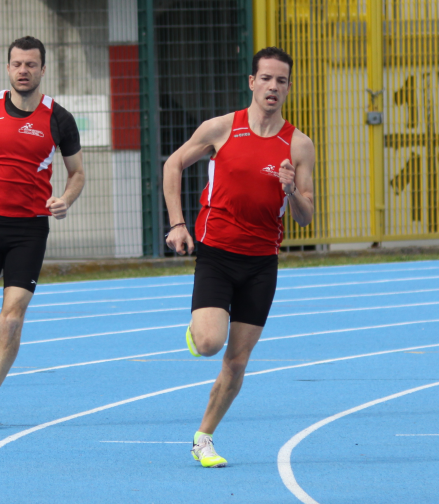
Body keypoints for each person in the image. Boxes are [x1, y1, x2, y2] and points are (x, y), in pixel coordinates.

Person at [163, 47, 315, 467]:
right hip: (217, 255)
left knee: (238, 360)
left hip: (261, 263)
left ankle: (203, 437)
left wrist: (289, 191)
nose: (273, 86)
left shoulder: (299, 145)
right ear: (252, 82)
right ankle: (199, 331)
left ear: (287, 87)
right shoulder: (222, 128)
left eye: (281, 80)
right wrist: (177, 224)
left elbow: (306, 216)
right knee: (211, 344)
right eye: (265, 78)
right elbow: (173, 164)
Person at [0, 36, 85, 430]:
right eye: (17, 64)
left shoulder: (59, 119)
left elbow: (77, 173)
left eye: (31, 64)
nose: (23, 70)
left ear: (43, 70)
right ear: (8, 68)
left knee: (11, 319)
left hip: (29, 230)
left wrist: (66, 200)